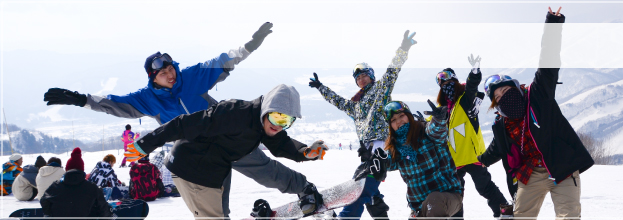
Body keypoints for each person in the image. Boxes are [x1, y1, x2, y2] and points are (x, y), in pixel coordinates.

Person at [42, 22, 304, 217]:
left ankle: (304, 190)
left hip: (226, 138)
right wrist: (81, 99)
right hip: (198, 156)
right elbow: (115, 104)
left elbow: (222, 61)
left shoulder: (190, 77)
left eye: (170, 68)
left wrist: (249, 46)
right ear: (152, 78)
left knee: (266, 170)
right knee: (214, 198)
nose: (170, 74)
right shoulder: (147, 99)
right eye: (163, 72)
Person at [124, 84, 328, 219]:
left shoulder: (261, 122)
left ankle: (303, 188)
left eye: (287, 121)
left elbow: (280, 143)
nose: (279, 125)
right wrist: (146, 143)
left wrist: (304, 151)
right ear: (266, 109)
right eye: (276, 117)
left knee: (261, 168)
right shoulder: (233, 113)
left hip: (220, 162)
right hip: (193, 169)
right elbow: (183, 124)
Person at [477, 7, 595, 219]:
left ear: (515, 87)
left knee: (569, 216)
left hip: (562, 165)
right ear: (495, 104)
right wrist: (482, 160)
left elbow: (548, 62)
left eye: (506, 89)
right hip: (530, 172)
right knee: (522, 216)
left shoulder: (538, 95)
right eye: (499, 96)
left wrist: (552, 25)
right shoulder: (502, 124)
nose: (505, 96)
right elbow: (499, 146)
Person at [308, 30, 418, 219]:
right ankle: (380, 213)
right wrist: (321, 87)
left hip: (382, 146)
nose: (361, 79)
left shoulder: (380, 90)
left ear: (371, 76)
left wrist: (403, 49)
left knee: (360, 189)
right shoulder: (356, 106)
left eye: (364, 75)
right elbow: (337, 101)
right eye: (358, 78)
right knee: (369, 190)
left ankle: (347, 216)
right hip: (367, 151)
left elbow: (393, 71)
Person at [433, 59, 512, 218]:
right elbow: (431, 128)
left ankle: (506, 213)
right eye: (442, 84)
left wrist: (474, 75)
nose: (446, 85)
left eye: (449, 81)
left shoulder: (465, 100)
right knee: (455, 193)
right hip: (454, 159)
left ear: (455, 80)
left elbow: (471, 88)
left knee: (485, 187)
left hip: (472, 155)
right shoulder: (443, 108)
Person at [358, 100, 462, 218]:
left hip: (447, 197)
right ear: (390, 126)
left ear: (409, 116)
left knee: (434, 200)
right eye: (393, 120)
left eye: (401, 116)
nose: (399, 121)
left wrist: (439, 119)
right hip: (418, 207)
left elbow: (437, 131)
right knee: (430, 204)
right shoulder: (396, 148)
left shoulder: (426, 132)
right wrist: (372, 159)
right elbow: (386, 163)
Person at [41, 148, 114, 218]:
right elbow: (105, 211)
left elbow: (44, 200)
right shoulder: (92, 188)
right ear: (82, 170)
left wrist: (51, 214)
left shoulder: (55, 187)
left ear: (67, 169)